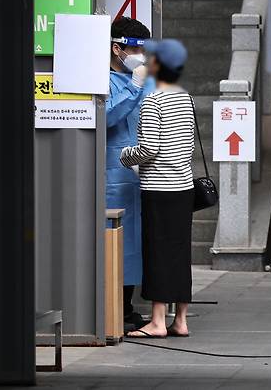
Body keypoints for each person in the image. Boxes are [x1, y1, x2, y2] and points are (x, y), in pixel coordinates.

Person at [120, 39, 195, 339]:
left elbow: (149, 147)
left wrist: (126, 155)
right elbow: (186, 144)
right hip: (184, 185)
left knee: (158, 252)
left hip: (159, 187)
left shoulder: (153, 101)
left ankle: (157, 322)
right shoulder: (184, 97)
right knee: (179, 251)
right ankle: (181, 320)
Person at [106, 17, 156, 331]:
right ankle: (112, 310)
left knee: (137, 245)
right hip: (114, 174)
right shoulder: (103, 79)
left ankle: (126, 307)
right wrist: (134, 88)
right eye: (134, 49)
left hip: (142, 174)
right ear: (116, 48)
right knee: (117, 244)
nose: (140, 56)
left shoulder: (146, 79)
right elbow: (107, 117)